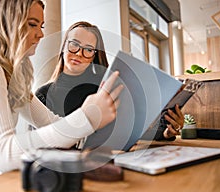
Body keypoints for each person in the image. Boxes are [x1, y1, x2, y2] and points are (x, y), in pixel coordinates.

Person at [0, 0, 123, 192]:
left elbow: (50, 122)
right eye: (32, 24)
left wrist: (91, 127)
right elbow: (2, 154)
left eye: (41, 26)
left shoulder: (14, 74)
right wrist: (86, 118)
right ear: (7, 22)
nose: (41, 34)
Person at [35, 21, 184, 145]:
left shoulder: (104, 89)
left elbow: (128, 130)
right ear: (63, 47)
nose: (79, 53)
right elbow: (39, 144)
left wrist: (165, 132)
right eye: (74, 44)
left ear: (94, 55)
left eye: (88, 49)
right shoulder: (43, 95)